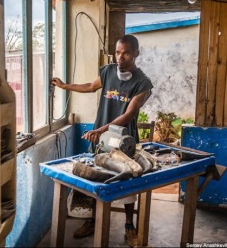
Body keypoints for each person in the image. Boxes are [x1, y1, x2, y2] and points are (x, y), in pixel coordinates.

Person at [51, 34, 153, 247]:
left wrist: (101, 129)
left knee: (126, 180)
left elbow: (129, 115)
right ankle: (92, 219)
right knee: (96, 177)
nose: (120, 57)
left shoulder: (142, 83)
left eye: (125, 52)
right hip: (100, 139)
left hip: (124, 141)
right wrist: (64, 86)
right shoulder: (107, 72)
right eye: (117, 52)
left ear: (136, 53)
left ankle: (128, 225)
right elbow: (89, 86)